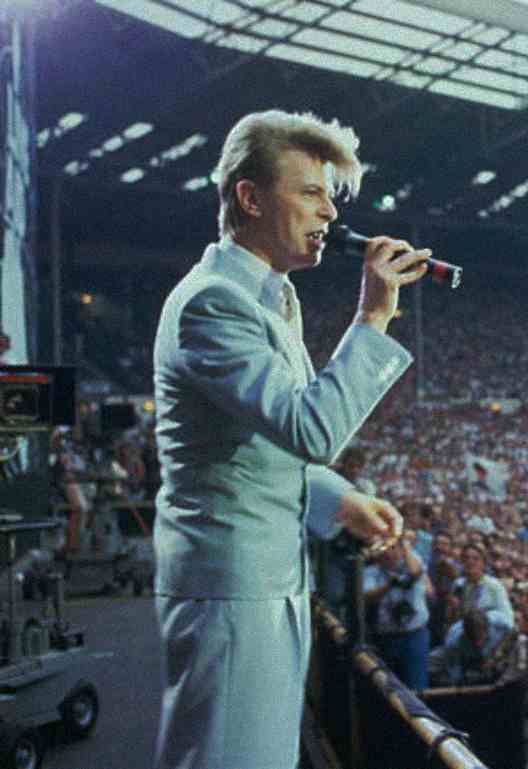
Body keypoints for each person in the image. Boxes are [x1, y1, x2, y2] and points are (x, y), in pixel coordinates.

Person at [151, 109, 429, 769]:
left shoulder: (270, 300)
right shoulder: (212, 304)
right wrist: (373, 316)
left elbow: (260, 450)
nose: (329, 211)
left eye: (331, 195)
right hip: (232, 592)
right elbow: (312, 428)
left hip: (262, 584)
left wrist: (342, 502)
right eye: (310, 191)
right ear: (250, 197)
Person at [363, 535, 433, 690]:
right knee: (389, 689)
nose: (389, 553)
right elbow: (367, 596)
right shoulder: (371, 572)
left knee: (417, 688)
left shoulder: (411, 562)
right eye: (384, 549)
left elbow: (415, 573)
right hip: (386, 638)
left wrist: (406, 546)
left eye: (394, 548)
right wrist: (389, 585)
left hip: (414, 635)